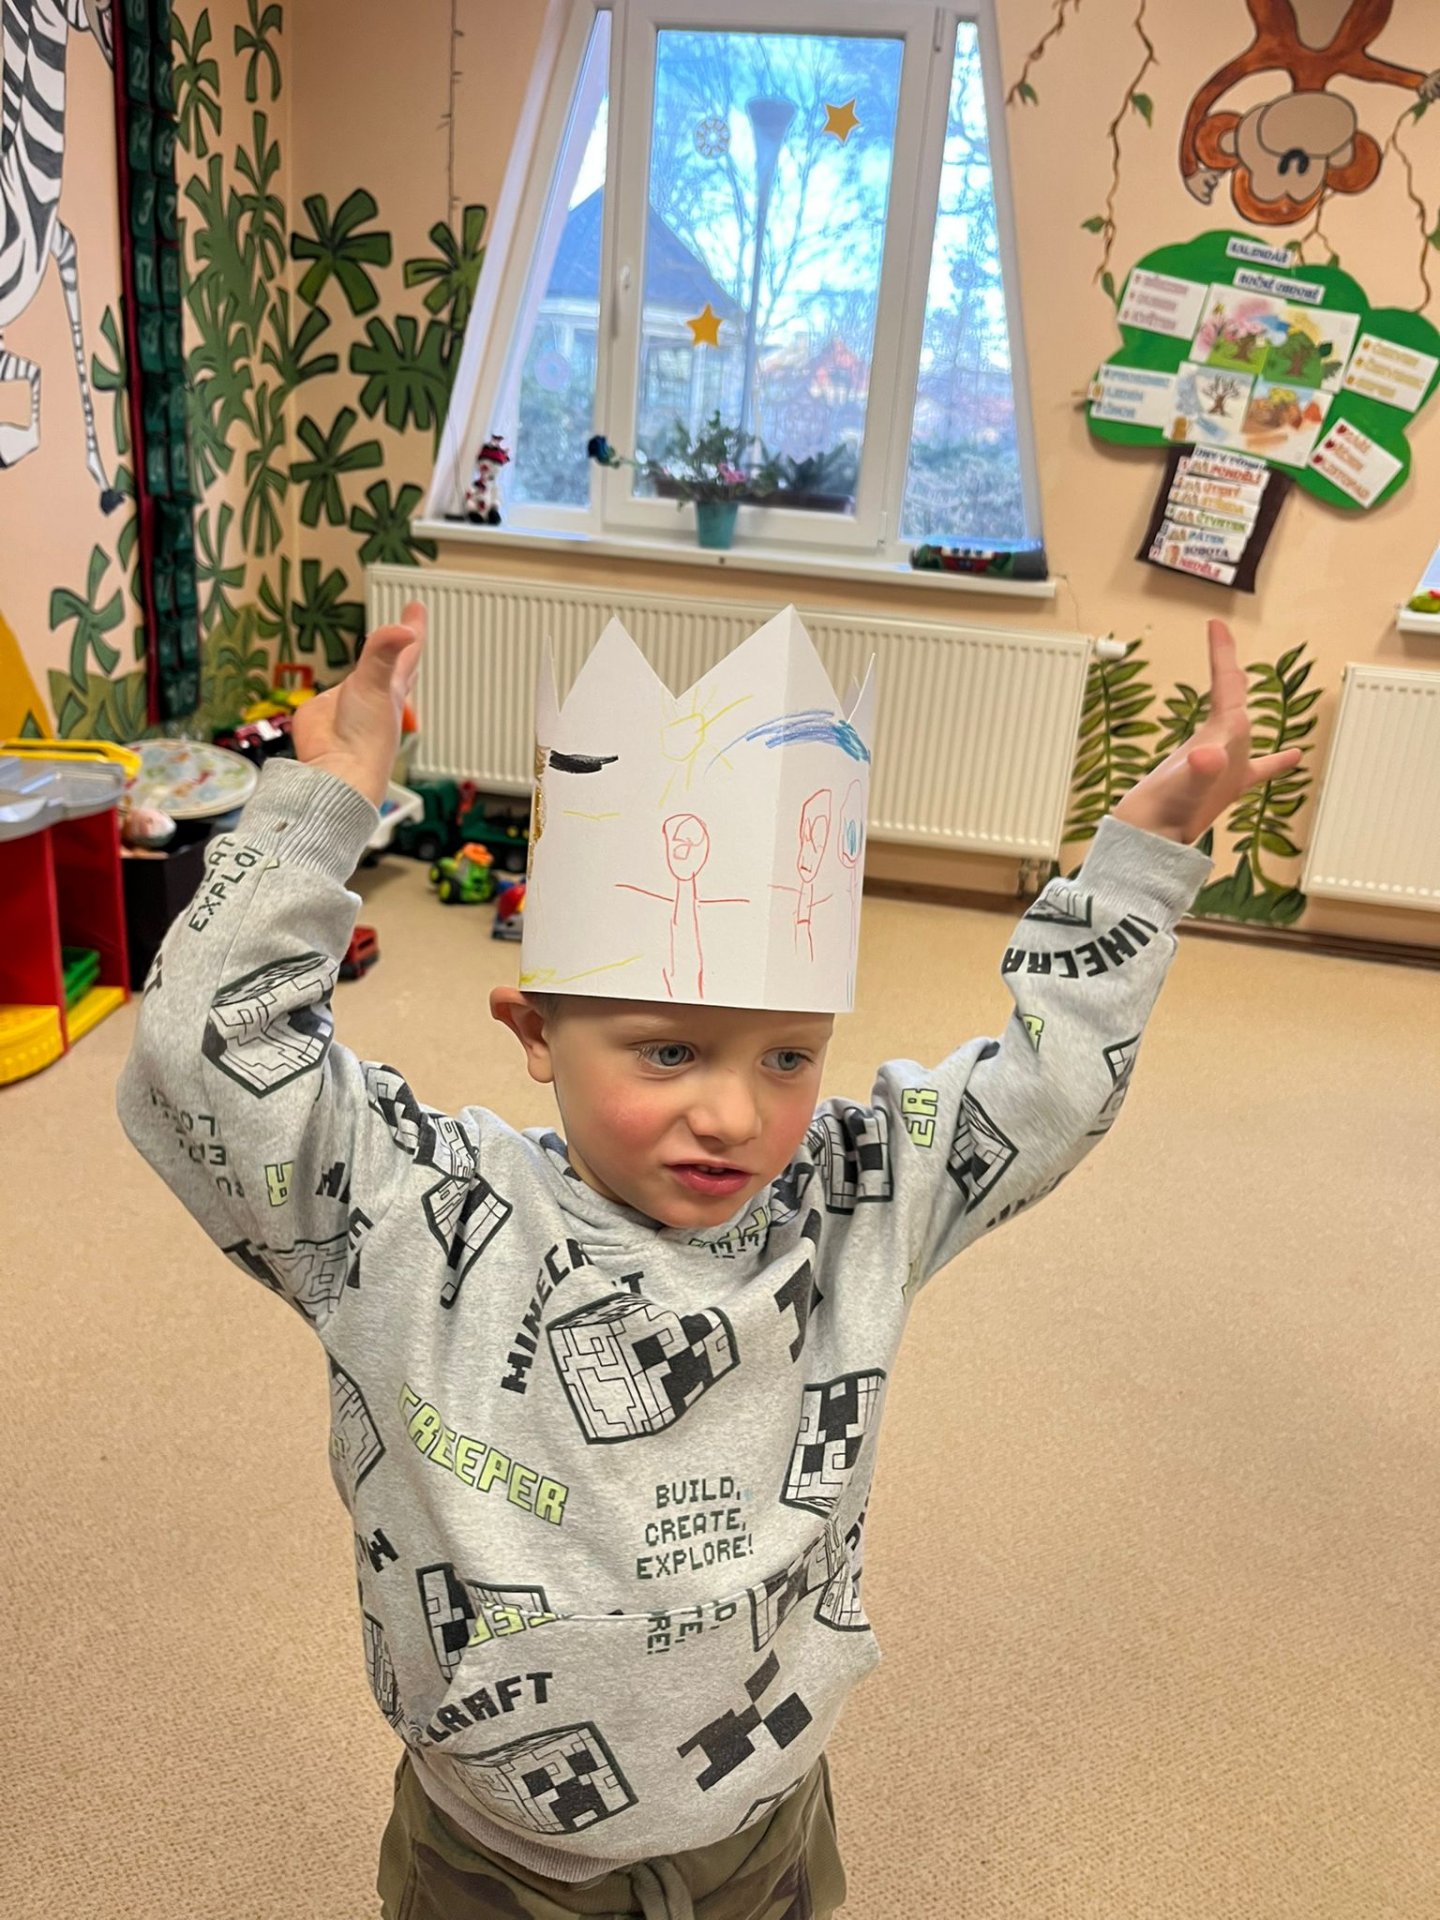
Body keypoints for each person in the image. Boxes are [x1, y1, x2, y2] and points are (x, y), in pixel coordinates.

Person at [117, 602, 1300, 1920]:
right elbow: (203, 1061)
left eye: (789, 1056)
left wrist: (1140, 859)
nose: (736, 1115)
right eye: (669, 1052)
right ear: (533, 1031)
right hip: (495, 1860)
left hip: (764, 1826)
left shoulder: (849, 1198)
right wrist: (322, 804)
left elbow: (1049, 1091)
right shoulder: (414, 1211)